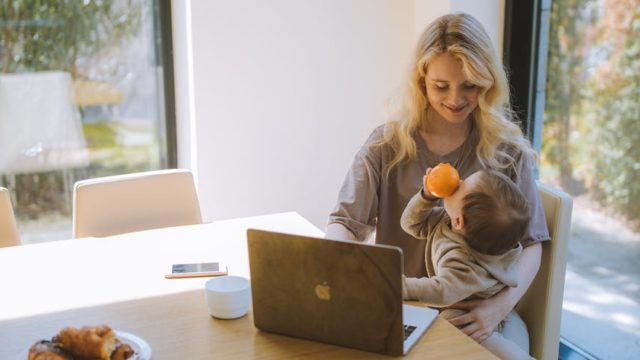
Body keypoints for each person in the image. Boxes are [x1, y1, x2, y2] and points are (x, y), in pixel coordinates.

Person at [326, 12, 550, 356]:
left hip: (480, 316)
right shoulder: (385, 146)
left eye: (470, 85)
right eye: (441, 86)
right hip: (400, 311)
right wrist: (348, 273)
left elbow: (532, 244)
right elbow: (344, 223)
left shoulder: (507, 152)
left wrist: (497, 309)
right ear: (422, 80)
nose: (456, 99)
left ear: (487, 82)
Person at [401, 167, 532, 359]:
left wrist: (398, 285)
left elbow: (441, 291)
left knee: (451, 332)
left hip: (466, 313)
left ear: (459, 222)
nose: (458, 181)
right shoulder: (451, 221)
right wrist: (426, 196)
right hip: (475, 303)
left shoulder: (464, 264)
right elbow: (411, 224)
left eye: (461, 187)